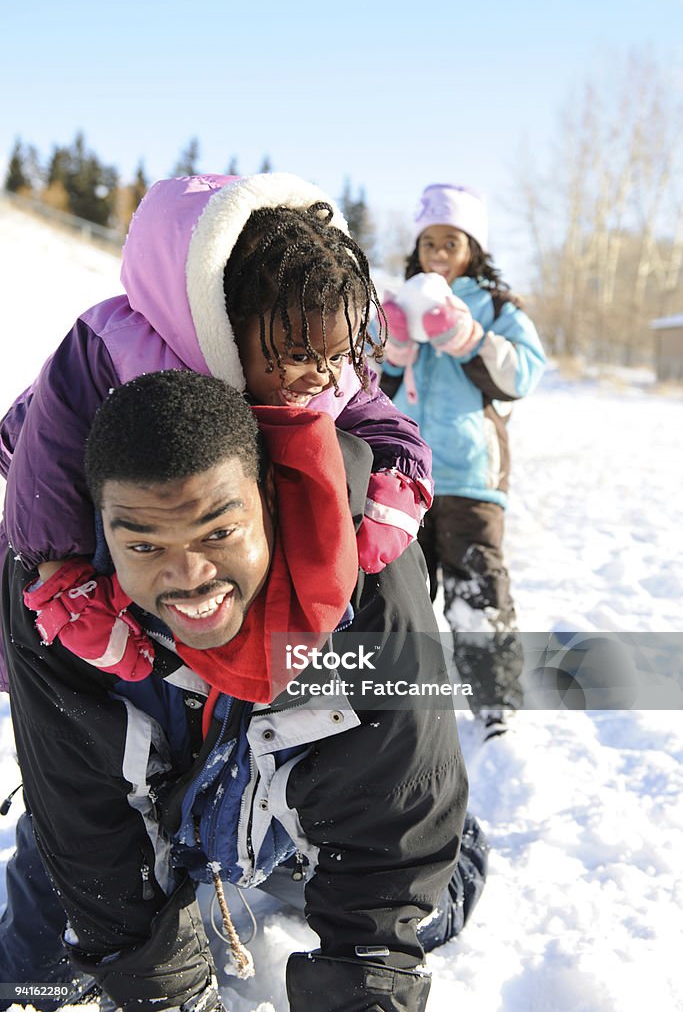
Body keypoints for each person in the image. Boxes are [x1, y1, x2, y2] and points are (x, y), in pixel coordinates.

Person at [2, 370, 487, 1012]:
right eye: (144, 544)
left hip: (309, 823)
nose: (190, 578)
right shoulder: (55, 606)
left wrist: (365, 982)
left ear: (266, 495)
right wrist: (163, 994)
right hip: (136, 820)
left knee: (423, 913)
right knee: (35, 985)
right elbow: (81, 816)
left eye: (218, 532)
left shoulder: (371, 592)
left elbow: (393, 831)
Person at [0, 171, 433, 694]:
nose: (321, 375)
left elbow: (376, 415)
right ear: (225, 321)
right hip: (71, 514)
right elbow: (46, 465)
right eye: (296, 356)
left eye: (337, 355)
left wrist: (397, 478)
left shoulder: (319, 357)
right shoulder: (118, 348)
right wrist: (63, 580)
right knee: (39, 648)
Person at [379, 183, 546, 737]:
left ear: (473, 247)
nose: (438, 254)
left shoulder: (496, 306)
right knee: (401, 589)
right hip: (405, 474)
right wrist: (395, 347)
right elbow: (372, 387)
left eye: (450, 242)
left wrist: (467, 335)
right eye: (429, 243)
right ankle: (405, 698)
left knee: (477, 587)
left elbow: (522, 374)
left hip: (472, 473)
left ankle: (494, 702)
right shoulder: (398, 302)